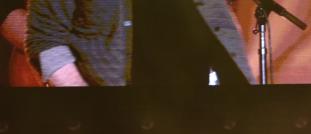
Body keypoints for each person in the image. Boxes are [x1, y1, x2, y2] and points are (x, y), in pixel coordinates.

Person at [26, 0, 254, 86]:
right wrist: (89, 107)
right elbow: (45, 40)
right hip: (116, 123)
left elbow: (223, 28)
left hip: (194, 122)